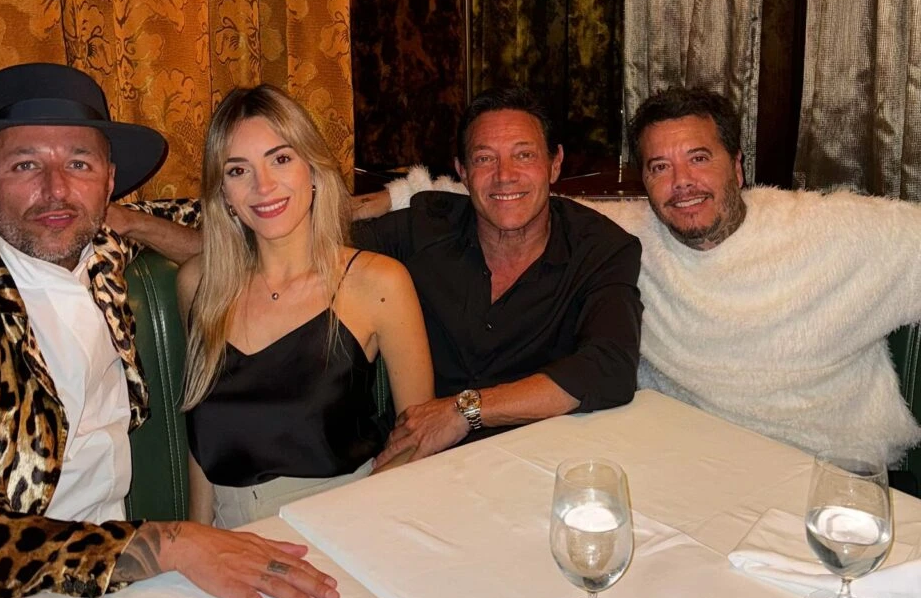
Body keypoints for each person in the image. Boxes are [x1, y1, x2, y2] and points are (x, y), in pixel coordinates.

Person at [0, 63, 339, 598]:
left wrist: (388, 203)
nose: (56, 190)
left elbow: (237, 222)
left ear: (109, 182)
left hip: (121, 587)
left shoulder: (98, 245)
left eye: (79, 164)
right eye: (25, 165)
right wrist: (172, 543)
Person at [588, 86, 921, 462]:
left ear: (736, 168)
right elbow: (545, 213)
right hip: (684, 458)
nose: (681, 181)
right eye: (660, 167)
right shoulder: (628, 240)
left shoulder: (833, 232)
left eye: (699, 158)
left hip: (829, 465)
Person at [178, 85, 433, 527]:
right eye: (238, 170)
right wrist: (197, 538)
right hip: (230, 533)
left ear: (313, 169)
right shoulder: (199, 284)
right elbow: (201, 443)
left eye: (280, 159)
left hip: (343, 523)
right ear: (223, 193)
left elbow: (418, 439)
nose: (263, 186)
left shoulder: (379, 283)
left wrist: (340, 527)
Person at [354, 86, 643, 470]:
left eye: (524, 155)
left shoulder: (600, 248)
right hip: (414, 461)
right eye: (484, 158)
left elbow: (609, 366)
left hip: (537, 464)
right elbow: (322, 250)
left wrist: (465, 411)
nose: (505, 176)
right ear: (463, 172)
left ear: (554, 164)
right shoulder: (424, 228)